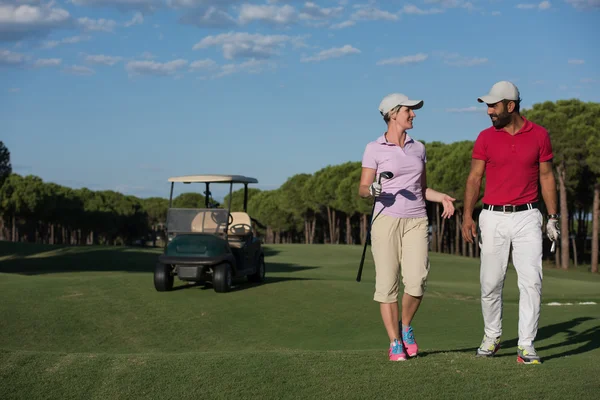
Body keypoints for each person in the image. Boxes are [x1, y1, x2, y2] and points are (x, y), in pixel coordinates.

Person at [461, 81, 560, 365]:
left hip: (528, 216)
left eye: (493, 105)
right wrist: (468, 215)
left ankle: (526, 345)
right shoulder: (485, 138)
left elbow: (546, 177)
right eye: (488, 106)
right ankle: (492, 336)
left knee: (532, 282)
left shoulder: (540, 135)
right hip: (492, 216)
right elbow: (474, 178)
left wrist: (552, 217)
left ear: (511, 106)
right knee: (490, 283)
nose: (489, 111)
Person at [359, 93, 456, 361]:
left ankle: (405, 327)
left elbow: (422, 189)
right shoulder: (374, 147)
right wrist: (373, 189)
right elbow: (362, 188)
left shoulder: (419, 148)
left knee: (416, 281)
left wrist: (443, 197)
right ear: (392, 114)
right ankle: (394, 343)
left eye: (413, 111)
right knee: (387, 284)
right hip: (385, 220)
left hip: (416, 220)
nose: (413, 114)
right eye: (408, 110)